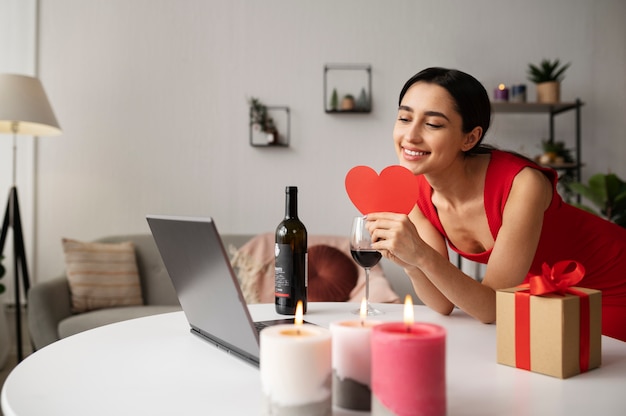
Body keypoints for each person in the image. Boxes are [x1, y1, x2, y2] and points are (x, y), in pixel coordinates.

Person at [367, 67, 626, 342]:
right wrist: (409, 263)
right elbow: (443, 303)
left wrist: (420, 254)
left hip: (611, 286)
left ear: (470, 138)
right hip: (546, 297)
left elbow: (491, 309)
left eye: (433, 124)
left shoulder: (523, 184)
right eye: (404, 118)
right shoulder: (416, 191)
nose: (411, 135)